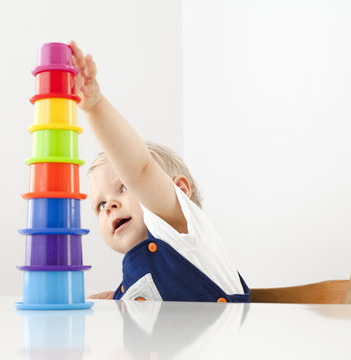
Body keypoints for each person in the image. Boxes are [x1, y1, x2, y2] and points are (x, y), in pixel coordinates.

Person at [70, 41, 249, 302]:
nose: (109, 206)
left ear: (180, 191)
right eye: (99, 205)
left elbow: (140, 170)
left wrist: (94, 106)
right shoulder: (134, 283)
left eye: (123, 186)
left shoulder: (182, 233)